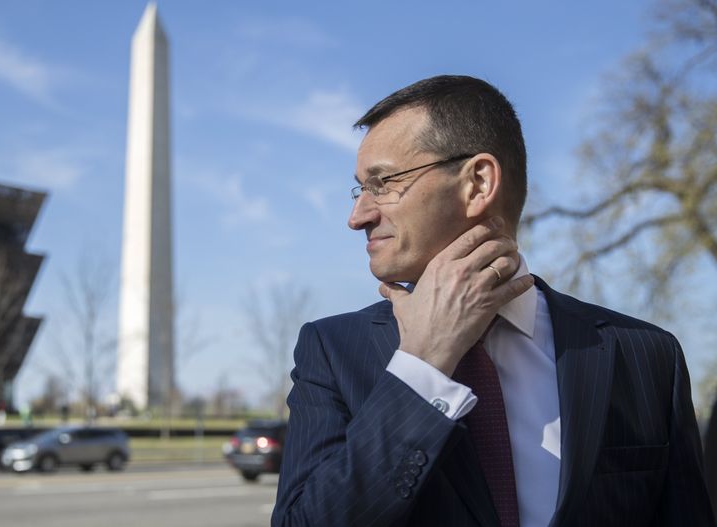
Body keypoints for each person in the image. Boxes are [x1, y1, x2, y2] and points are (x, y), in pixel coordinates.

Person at [271, 75, 713, 527]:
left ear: (479, 183)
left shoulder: (645, 355)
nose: (357, 216)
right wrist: (422, 366)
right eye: (360, 189)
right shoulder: (332, 350)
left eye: (382, 183)